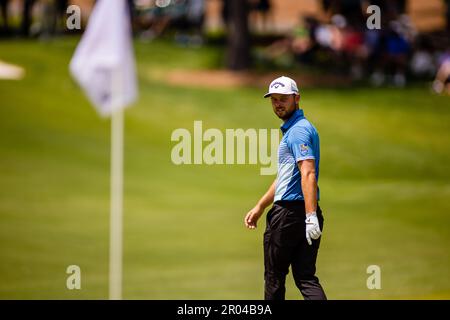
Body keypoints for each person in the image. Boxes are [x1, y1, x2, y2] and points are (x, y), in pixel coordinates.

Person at [244, 76, 327, 300]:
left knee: (274, 277)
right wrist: (260, 206)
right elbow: (285, 178)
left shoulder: (298, 131)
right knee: (306, 278)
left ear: (296, 98)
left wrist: (310, 216)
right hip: (303, 213)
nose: (278, 104)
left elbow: (308, 173)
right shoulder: (299, 129)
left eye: (283, 99)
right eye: (274, 100)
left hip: (289, 216)